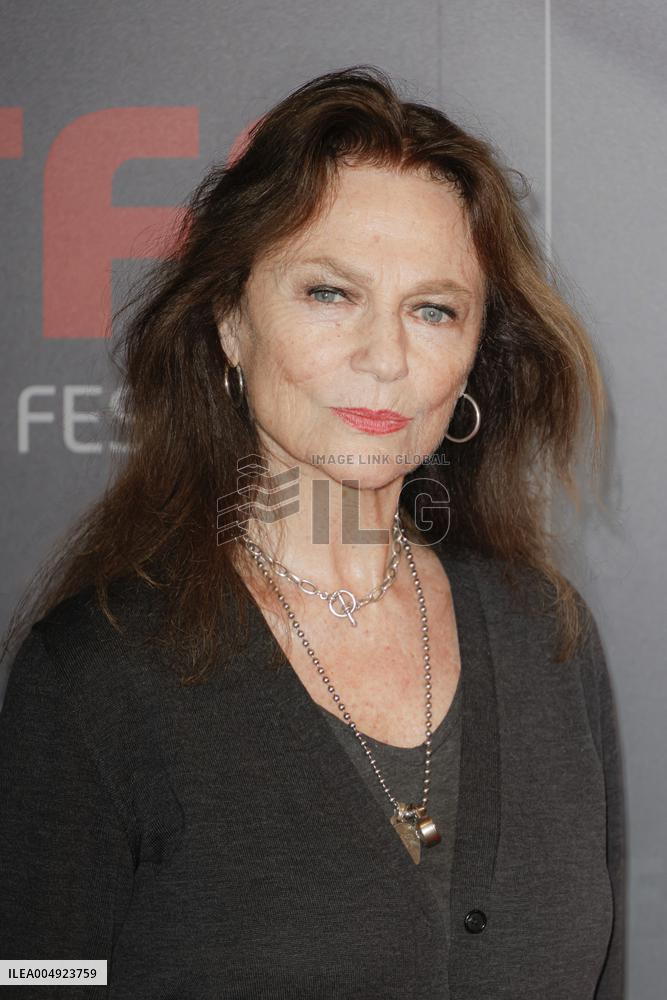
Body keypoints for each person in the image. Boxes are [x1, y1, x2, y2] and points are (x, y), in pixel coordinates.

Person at [0, 65, 625, 998]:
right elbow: (37, 980)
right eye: (329, 293)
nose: (383, 356)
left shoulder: (547, 636)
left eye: (432, 309)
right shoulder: (98, 679)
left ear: (472, 359)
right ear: (229, 322)